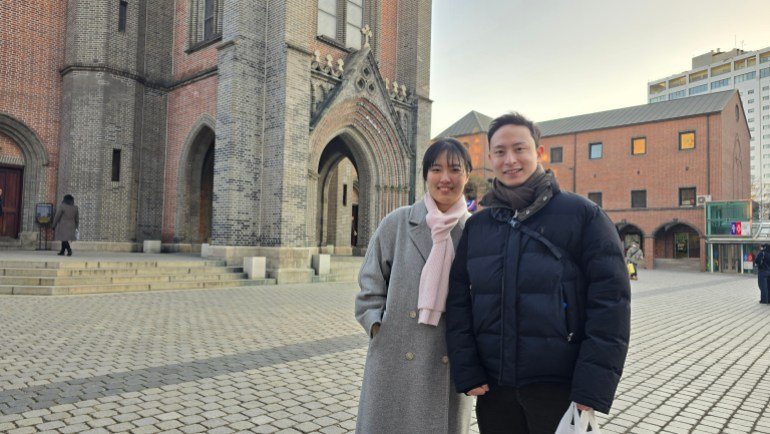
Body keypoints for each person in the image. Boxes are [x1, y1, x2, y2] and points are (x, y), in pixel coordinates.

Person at [446, 112, 631, 434]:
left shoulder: (583, 216)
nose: (510, 160)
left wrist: (593, 386)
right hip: (495, 389)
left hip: (560, 388)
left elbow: (610, 303)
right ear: (490, 158)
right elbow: (460, 300)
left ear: (539, 153)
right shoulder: (478, 226)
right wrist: (468, 370)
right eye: (500, 152)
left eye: (520, 149)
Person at [355, 138, 474, 434]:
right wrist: (377, 327)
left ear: (467, 176)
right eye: (436, 169)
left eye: (455, 169)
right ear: (425, 175)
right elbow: (369, 284)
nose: (445, 178)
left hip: (448, 357)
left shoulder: (475, 231)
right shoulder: (397, 223)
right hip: (395, 354)